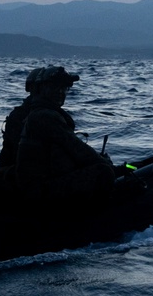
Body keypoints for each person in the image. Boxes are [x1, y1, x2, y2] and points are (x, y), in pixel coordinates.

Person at [11, 66, 115, 202]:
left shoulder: (41, 113)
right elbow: (80, 152)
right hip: (38, 191)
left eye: (64, 87)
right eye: (54, 87)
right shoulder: (44, 116)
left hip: (41, 183)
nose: (60, 92)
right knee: (103, 172)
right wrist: (109, 167)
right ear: (41, 89)